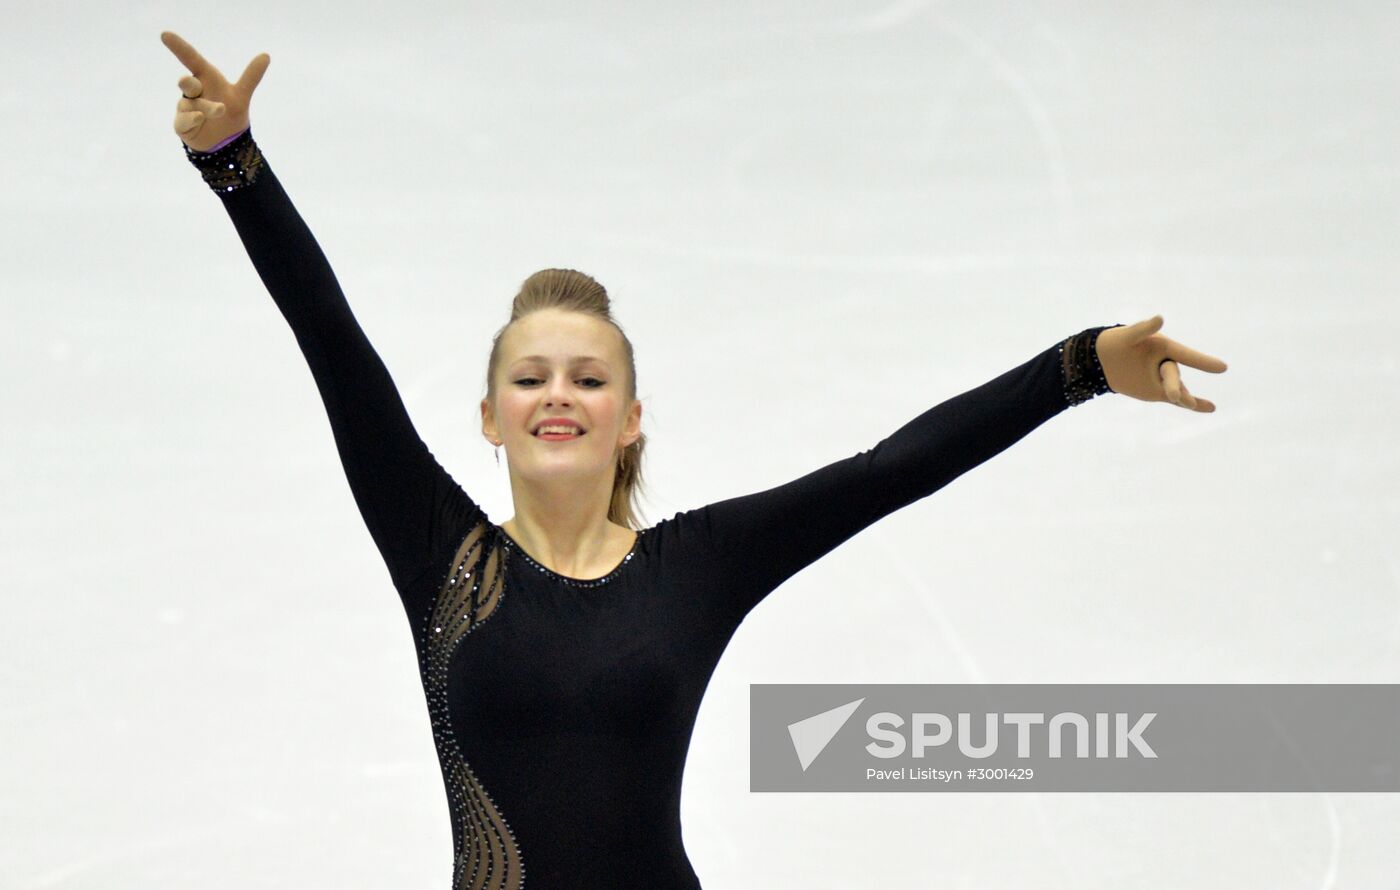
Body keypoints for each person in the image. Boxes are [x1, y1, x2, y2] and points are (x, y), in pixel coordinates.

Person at [159, 31, 1228, 890]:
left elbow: (890, 466)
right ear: (489, 414)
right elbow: (332, 345)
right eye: (530, 378)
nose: (557, 397)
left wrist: (1079, 366)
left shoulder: (698, 564)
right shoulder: (441, 556)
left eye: (587, 378)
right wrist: (234, 166)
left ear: (630, 418)